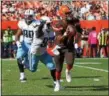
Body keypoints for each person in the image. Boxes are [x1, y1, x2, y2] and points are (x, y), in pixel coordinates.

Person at [15, 9, 56, 84]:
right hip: (25, 43)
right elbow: (18, 33)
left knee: (33, 66)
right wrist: (17, 41)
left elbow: (44, 33)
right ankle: (22, 75)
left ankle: (27, 62)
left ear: (33, 16)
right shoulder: (22, 23)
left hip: (35, 45)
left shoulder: (37, 24)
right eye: (26, 16)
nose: (28, 17)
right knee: (19, 57)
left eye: (30, 16)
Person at [51, 5, 82, 91]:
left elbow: (79, 32)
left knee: (70, 62)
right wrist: (65, 34)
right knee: (58, 68)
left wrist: (76, 41)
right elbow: (59, 39)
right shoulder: (58, 24)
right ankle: (58, 84)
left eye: (69, 13)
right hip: (58, 47)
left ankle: (68, 71)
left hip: (69, 46)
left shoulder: (74, 21)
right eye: (66, 13)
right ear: (62, 14)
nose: (69, 14)